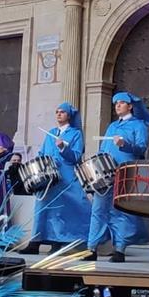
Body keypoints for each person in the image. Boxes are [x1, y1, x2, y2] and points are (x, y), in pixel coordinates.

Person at [87, 92, 149, 263]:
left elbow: (141, 149)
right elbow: (103, 149)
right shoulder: (112, 126)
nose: (117, 106)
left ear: (130, 106)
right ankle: (91, 248)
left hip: (125, 173)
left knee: (121, 210)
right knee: (98, 210)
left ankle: (120, 250)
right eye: (116, 103)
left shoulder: (139, 126)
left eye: (121, 103)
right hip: (105, 173)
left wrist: (124, 145)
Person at [20, 102, 90, 255]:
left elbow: (77, 156)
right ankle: (35, 242)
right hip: (49, 175)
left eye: (62, 112)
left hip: (66, 175)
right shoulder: (50, 132)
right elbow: (43, 152)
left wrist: (63, 148)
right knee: (42, 206)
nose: (59, 114)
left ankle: (62, 241)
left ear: (69, 115)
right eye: (57, 111)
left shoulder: (76, 133)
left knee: (69, 207)